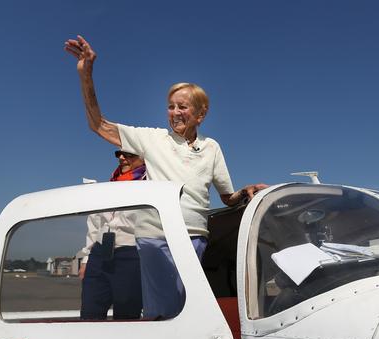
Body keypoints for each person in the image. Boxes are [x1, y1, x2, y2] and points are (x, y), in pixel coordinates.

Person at [65, 35, 267, 319]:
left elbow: (226, 197)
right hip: (154, 236)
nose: (175, 113)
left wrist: (246, 192)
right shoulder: (152, 139)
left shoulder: (212, 148)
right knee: (161, 311)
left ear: (201, 113)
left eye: (182, 107)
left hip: (196, 236)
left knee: (186, 308)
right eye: (171, 106)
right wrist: (86, 74)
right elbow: (98, 125)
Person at [80, 150, 146, 320]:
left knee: (127, 316)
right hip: (99, 253)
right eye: (119, 154)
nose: (122, 158)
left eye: (128, 154)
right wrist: (86, 258)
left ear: (144, 156)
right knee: (89, 312)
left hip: (130, 254)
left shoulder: (150, 185)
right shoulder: (109, 185)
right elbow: (95, 222)